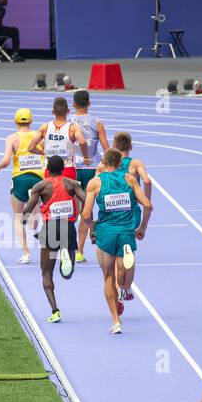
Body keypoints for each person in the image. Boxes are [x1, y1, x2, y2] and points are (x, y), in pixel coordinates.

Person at [80, 148, 152, 334]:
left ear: (103, 162)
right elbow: (148, 205)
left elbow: (86, 214)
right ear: (120, 163)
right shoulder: (130, 179)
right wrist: (142, 227)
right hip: (127, 231)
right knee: (123, 273)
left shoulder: (95, 183)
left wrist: (93, 229)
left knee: (108, 277)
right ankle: (125, 285)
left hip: (106, 233)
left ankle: (116, 321)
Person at [21, 154, 87, 323]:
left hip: (51, 231)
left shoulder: (41, 186)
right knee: (67, 274)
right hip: (68, 230)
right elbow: (86, 201)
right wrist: (90, 221)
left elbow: (29, 205)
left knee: (46, 272)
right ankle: (65, 252)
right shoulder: (72, 184)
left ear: (47, 170)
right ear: (63, 169)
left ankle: (55, 311)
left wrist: (24, 217)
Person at [0, 107, 45, 264]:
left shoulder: (12, 138)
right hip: (39, 179)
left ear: (16, 122)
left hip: (20, 179)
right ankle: (50, 246)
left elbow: (7, 160)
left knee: (17, 217)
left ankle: (26, 253)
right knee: (44, 215)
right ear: (31, 121)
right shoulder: (39, 136)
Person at [68, 89, 108, 264]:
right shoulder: (97, 123)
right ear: (89, 104)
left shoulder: (68, 124)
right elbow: (107, 150)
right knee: (88, 207)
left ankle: (73, 249)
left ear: (73, 105)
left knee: (75, 211)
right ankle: (80, 250)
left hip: (73, 170)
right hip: (93, 169)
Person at [111, 132, 151, 302]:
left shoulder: (107, 163)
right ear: (131, 147)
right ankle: (125, 288)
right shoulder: (135, 164)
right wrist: (145, 199)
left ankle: (117, 287)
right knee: (128, 250)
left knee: (113, 253)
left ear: (114, 146)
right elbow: (147, 181)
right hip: (131, 211)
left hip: (112, 210)